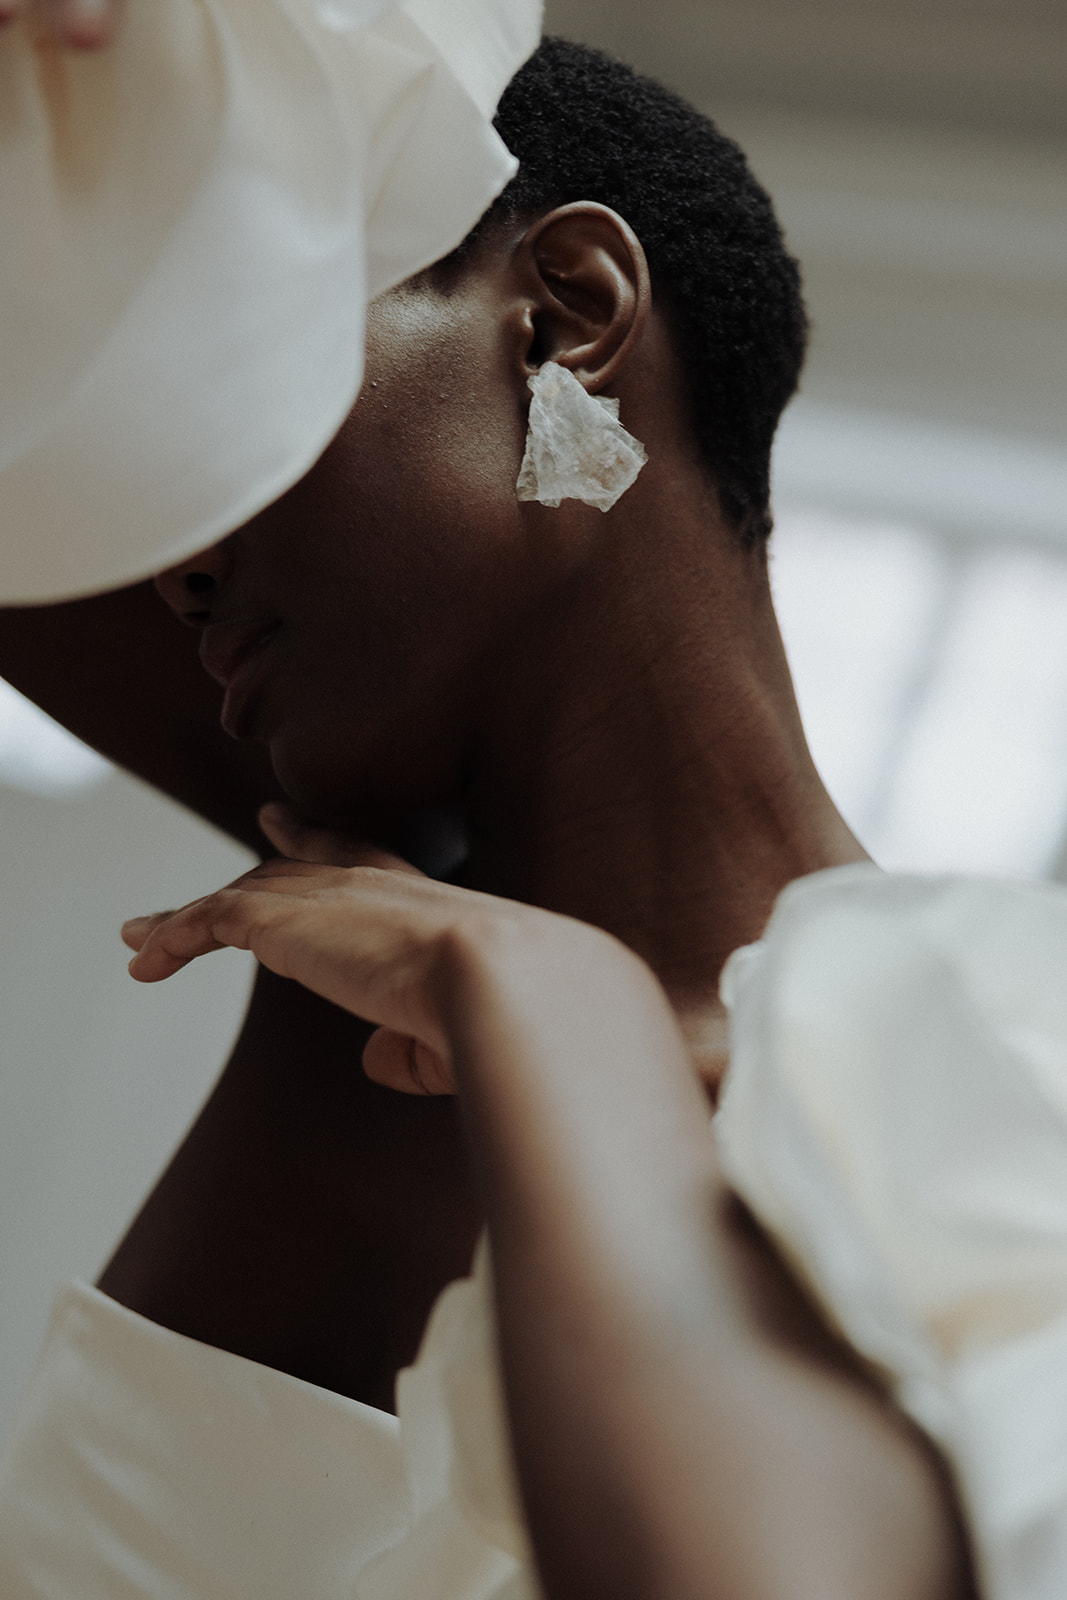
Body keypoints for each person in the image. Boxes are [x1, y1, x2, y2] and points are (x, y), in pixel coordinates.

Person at [6, 23, 1057, 1600]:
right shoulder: (352, 955)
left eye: (230, 349)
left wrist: (537, 992)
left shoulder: (1004, 1031)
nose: (180, 552)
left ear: (567, 318)